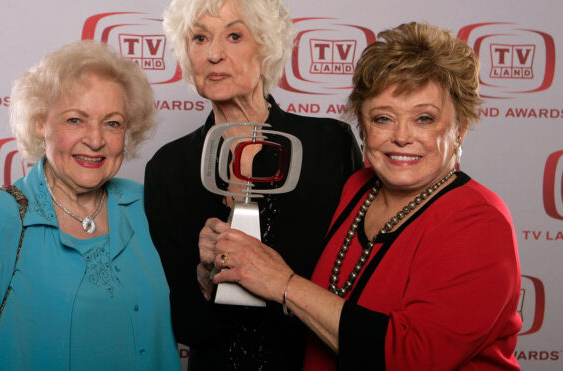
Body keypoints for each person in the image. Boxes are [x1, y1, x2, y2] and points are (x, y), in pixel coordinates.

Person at [202, 22, 522, 370]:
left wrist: (283, 283)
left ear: (459, 129)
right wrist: (224, 261)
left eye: (424, 119)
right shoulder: (357, 187)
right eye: (383, 118)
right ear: (363, 126)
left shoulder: (477, 218)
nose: (401, 136)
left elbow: (413, 358)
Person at [0, 40, 181, 370]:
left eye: (113, 122)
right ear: (39, 122)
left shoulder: (146, 205)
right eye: (75, 120)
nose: (95, 139)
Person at [144, 0, 362, 369]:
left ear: (266, 47)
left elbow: (358, 290)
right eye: (199, 38)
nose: (214, 54)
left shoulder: (330, 144)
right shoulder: (169, 167)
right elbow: (187, 325)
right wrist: (203, 276)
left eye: (234, 35)